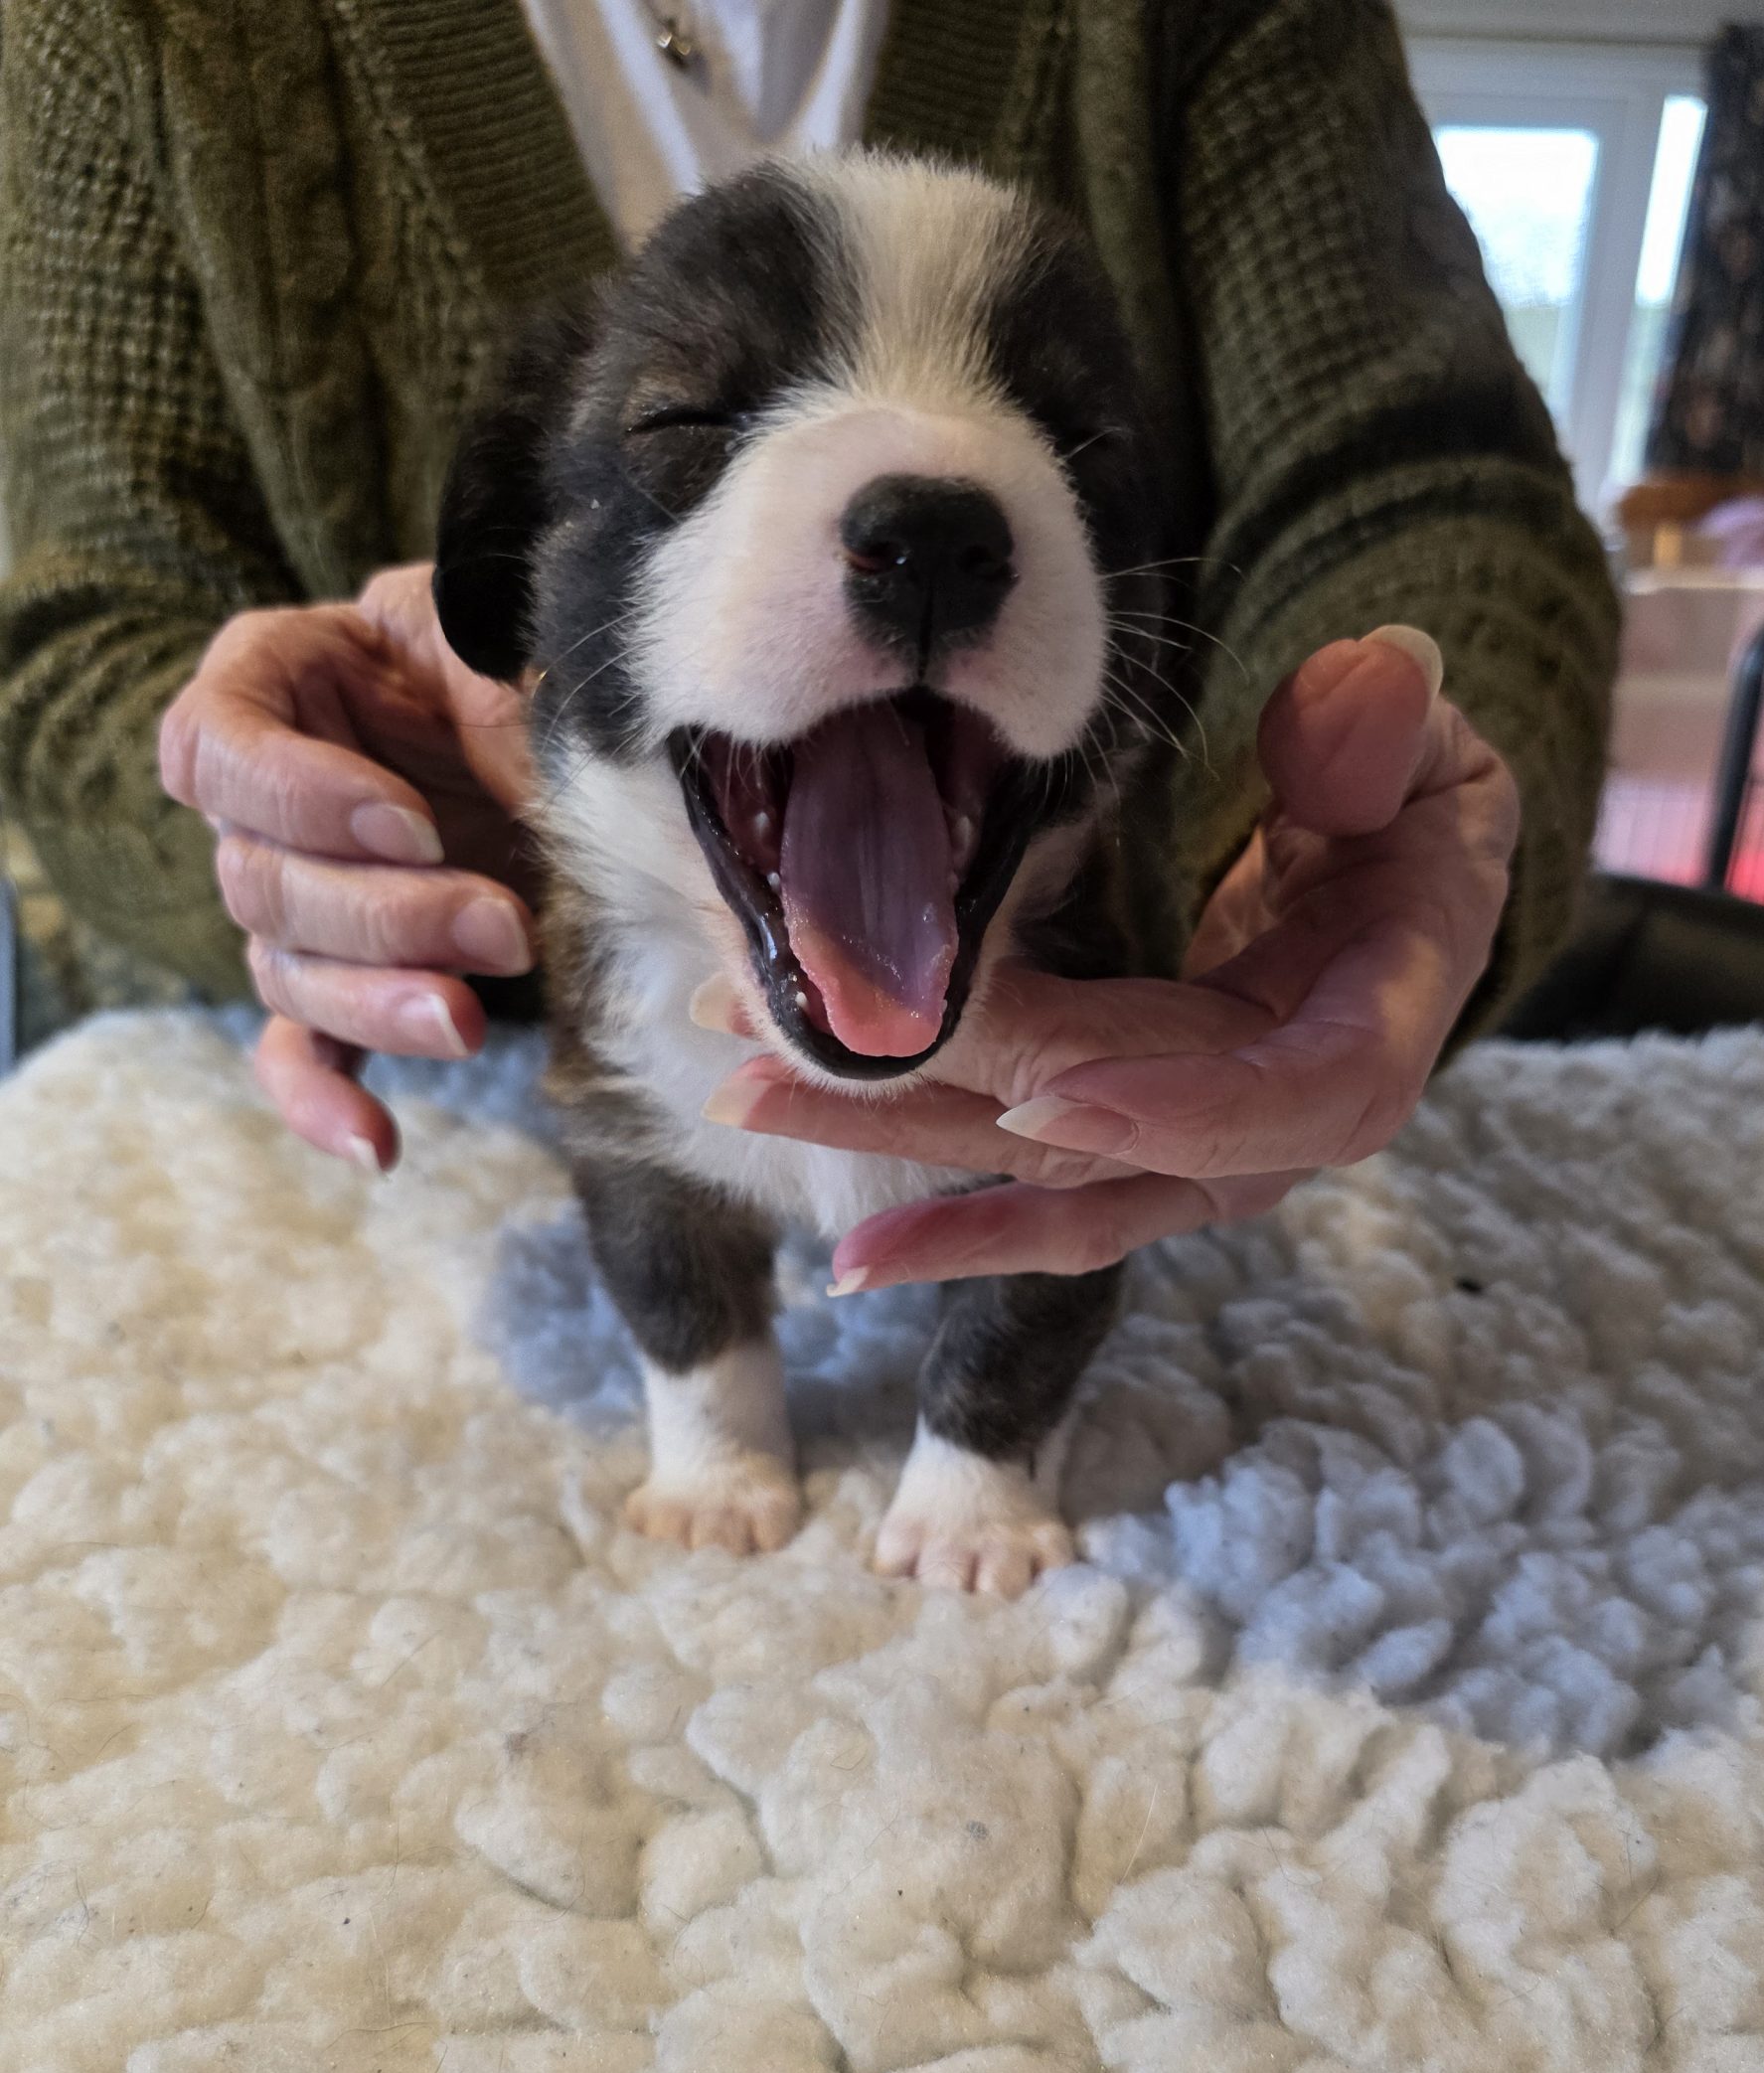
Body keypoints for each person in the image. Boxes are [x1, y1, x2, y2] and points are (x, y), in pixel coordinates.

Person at [0, 0, 1617, 1289]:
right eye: (691, 425)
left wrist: (1373, 822)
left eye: (1071, 446)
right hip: (290, 1132)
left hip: (1132, 1047)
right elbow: (66, 629)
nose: (935, 512)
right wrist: (289, 815)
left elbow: (1419, 468)